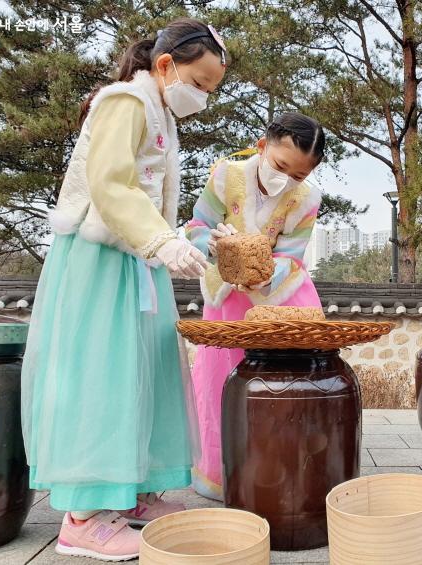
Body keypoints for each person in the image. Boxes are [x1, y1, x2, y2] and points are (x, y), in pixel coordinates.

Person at [21, 18, 227, 560]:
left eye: (210, 89)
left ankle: (132, 492)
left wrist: (179, 238)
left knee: (148, 369)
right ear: (166, 65)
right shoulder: (124, 102)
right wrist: (162, 240)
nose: (203, 97)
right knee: (102, 374)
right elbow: (109, 184)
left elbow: (146, 195)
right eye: (199, 83)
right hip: (103, 258)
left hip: (138, 256)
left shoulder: (158, 112)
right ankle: (82, 517)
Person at [186, 112, 325, 500]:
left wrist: (265, 274)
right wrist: (211, 244)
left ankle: (283, 470)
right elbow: (196, 226)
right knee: (220, 383)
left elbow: (294, 254)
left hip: (280, 297)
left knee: (286, 386)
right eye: (280, 166)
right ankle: (221, 475)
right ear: (263, 146)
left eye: (298, 174)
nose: (286, 178)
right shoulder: (224, 176)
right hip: (226, 295)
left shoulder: (307, 199)